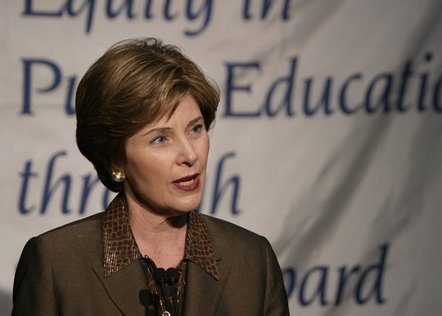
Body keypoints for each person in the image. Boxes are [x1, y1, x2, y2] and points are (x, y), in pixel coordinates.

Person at [12, 38, 289, 316]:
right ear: (116, 159)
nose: (190, 155)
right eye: (160, 139)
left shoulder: (252, 260)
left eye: (195, 129)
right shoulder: (55, 264)